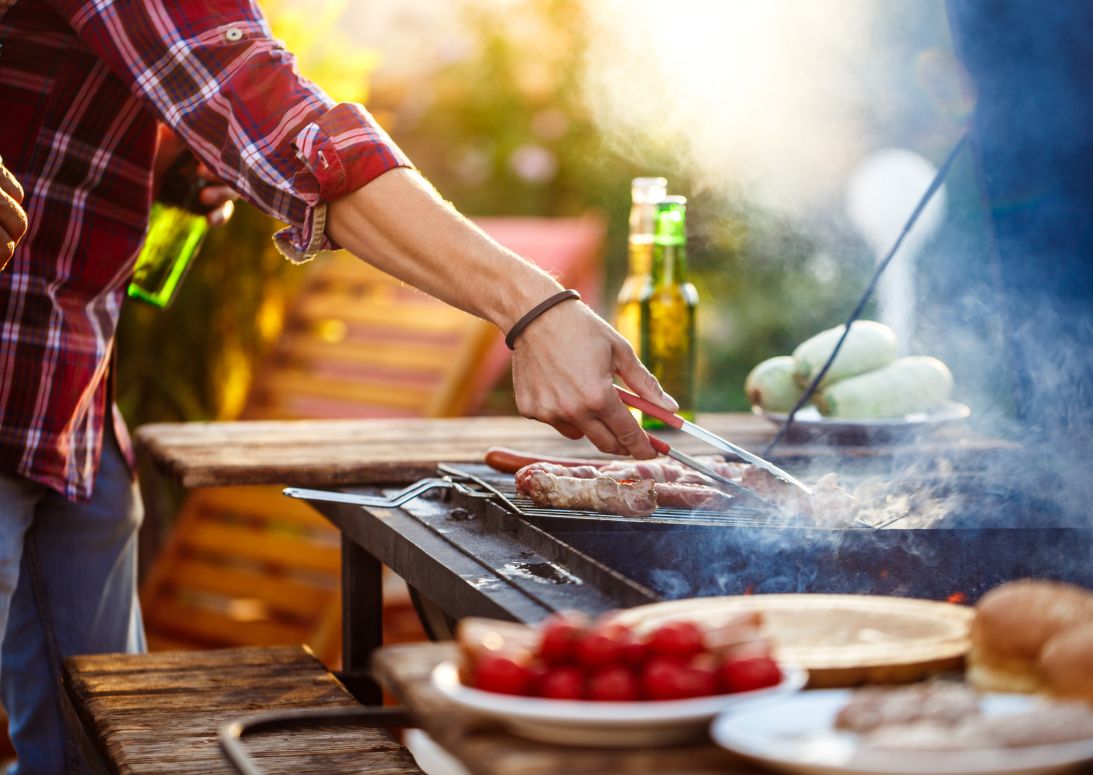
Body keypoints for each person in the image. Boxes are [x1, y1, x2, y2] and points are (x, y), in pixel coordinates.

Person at [0, 2, 676, 771]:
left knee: (94, 747)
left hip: (68, 387)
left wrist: (164, 156)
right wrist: (534, 307)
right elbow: (286, 125)